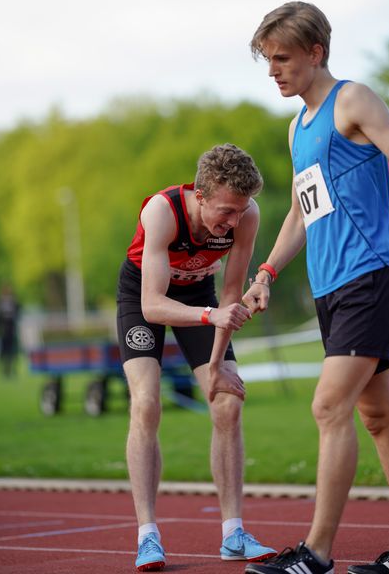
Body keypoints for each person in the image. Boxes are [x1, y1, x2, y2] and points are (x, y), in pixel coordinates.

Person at [242, 1, 389, 574]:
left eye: (282, 58)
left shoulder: (353, 100)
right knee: (379, 418)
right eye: (267, 61)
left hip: (370, 275)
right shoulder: (297, 127)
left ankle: (316, 554)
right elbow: (304, 212)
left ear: (316, 52)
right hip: (329, 287)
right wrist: (265, 274)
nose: (274, 70)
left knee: (329, 406)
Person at [116, 143, 277, 571]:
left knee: (227, 401)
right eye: (226, 211)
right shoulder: (161, 211)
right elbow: (152, 305)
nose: (234, 221)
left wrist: (218, 368)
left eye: (240, 211)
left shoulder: (247, 215)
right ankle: (147, 535)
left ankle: (234, 534)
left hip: (203, 296)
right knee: (147, 404)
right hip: (144, 297)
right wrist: (211, 316)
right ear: (200, 195)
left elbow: (231, 296)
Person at [0, 284, 21, 378]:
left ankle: (12, 369)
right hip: (3, 331)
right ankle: (4, 370)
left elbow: (18, 312)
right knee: (3, 352)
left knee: (12, 352)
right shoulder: (0, 302)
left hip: (12, 330)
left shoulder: (13, 302)